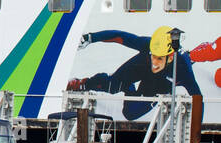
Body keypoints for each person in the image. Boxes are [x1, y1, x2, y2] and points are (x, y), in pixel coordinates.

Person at [68, 25, 202, 120]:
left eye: (159, 58)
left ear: (170, 57)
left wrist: (196, 133)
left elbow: (197, 98)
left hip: (160, 85)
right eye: (153, 56)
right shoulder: (148, 45)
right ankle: (84, 84)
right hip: (142, 66)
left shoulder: (183, 69)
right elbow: (120, 37)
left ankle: (129, 87)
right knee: (113, 86)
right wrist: (89, 38)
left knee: (130, 114)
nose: (154, 62)